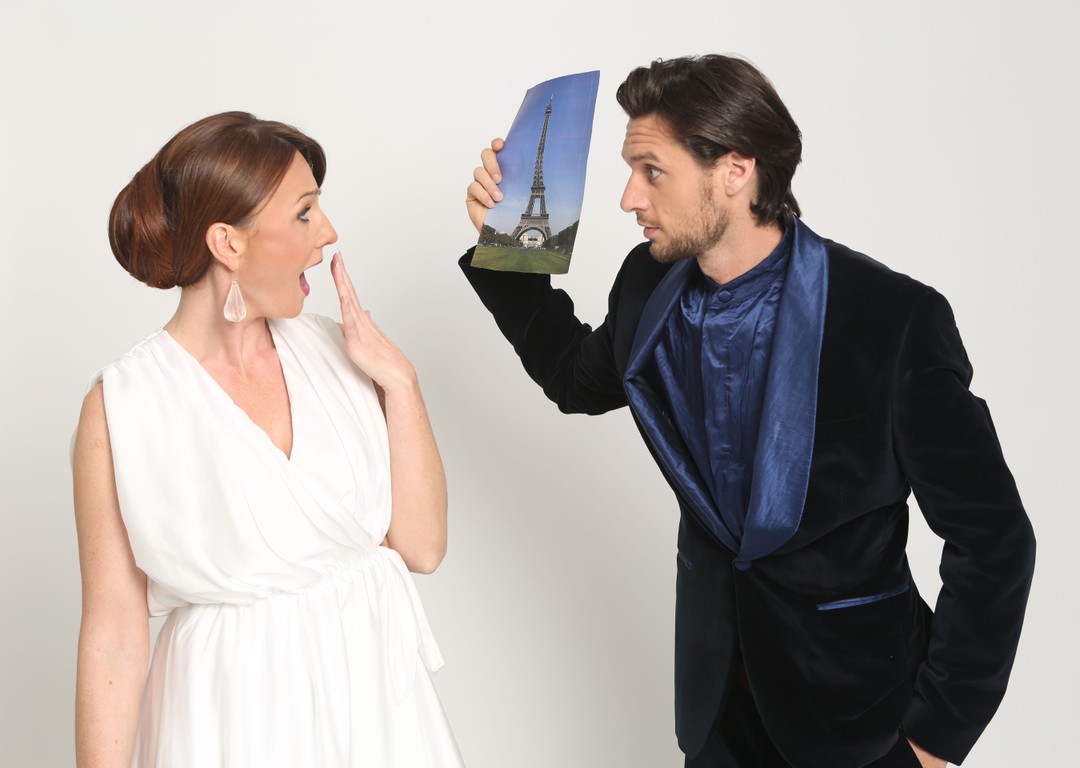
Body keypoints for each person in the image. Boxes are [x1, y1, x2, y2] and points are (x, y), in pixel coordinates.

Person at [461, 55, 1034, 767]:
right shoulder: (647, 285)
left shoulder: (891, 319)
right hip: (717, 715)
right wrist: (508, 248)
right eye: (630, 169)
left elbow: (994, 537)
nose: (628, 197)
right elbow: (575, 381)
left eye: (652, 171)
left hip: (862, 719)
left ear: (735, 169)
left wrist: (934, 738)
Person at [72, 112, 463, 767]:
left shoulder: (342, 353)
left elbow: (422, 549)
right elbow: (113, 637)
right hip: (229, 721)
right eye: (305, 213)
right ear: (227, 242)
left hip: (377, 714)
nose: (328, 232)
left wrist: (402, 383)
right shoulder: (124, 404)